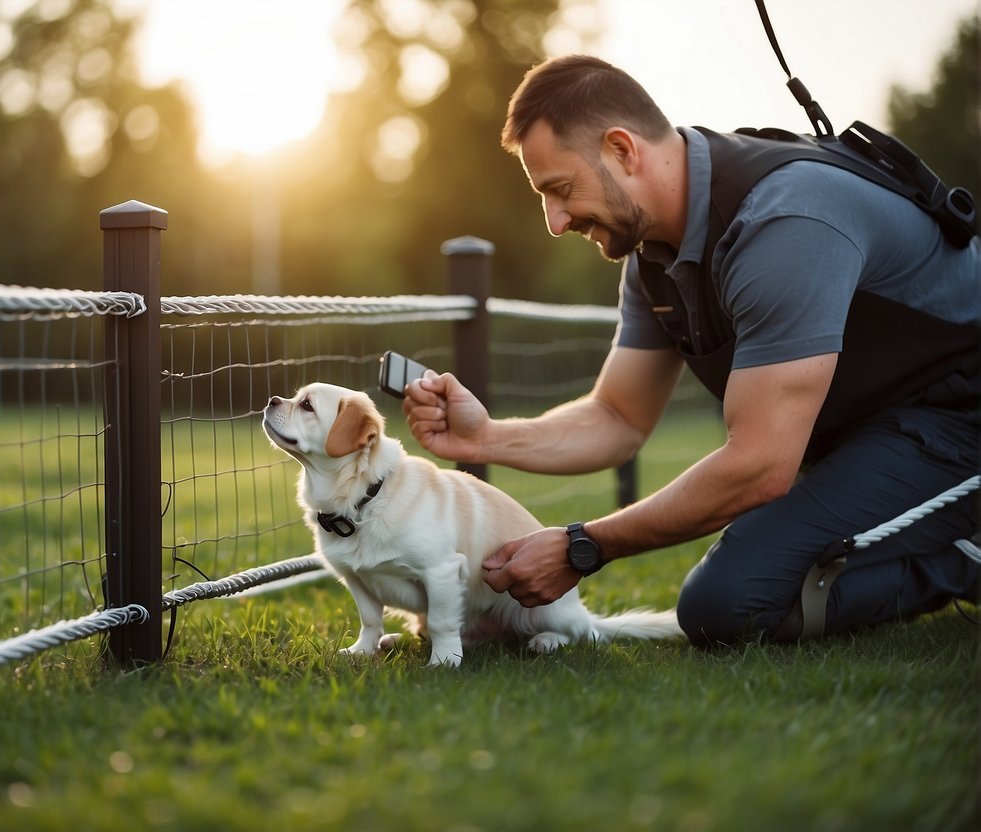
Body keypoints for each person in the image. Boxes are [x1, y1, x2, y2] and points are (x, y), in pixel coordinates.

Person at [402, 55, 980, 645]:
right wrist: (485, 437)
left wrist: (584, 546)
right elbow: (616, 417)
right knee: (738, 597)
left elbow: (759, 465)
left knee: (731, 603)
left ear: (623, 150)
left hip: (959, 421)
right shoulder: (651, 251)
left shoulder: (782, 221)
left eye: (560, 189)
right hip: (875, 440)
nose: (554, 221)